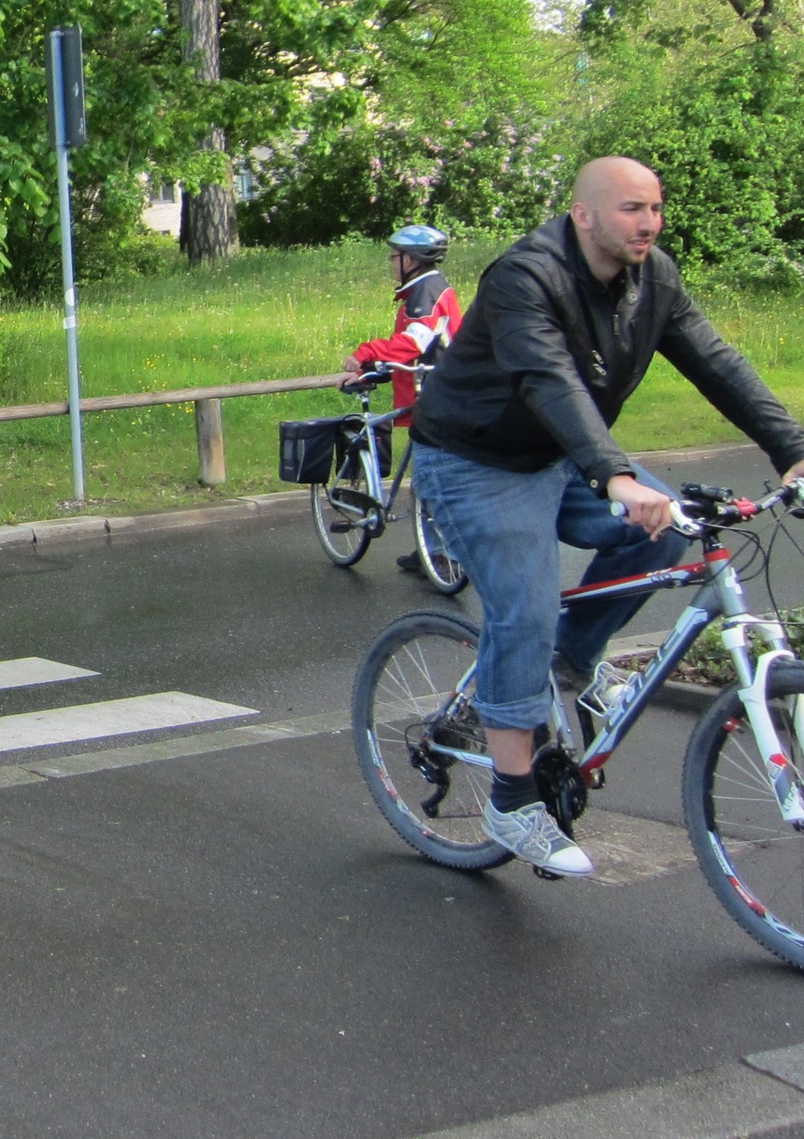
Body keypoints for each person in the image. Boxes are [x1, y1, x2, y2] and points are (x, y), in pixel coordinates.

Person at [411, 157, 804, 878]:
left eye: (654, 208)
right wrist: (616, 475)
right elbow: (546, 380)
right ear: (583, 214)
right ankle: (511, 798)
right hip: (475, 462)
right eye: (631, 209)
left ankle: (566, 664)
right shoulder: (525, 277)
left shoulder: (655, 277)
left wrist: (793, 449)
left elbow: (715, 360)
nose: (648, 223)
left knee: (667, 531)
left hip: (562, 455)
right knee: (523, 611)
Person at [342, 223, 464, 574]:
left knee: (431, 478)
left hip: (435, 398)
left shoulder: (426, 292)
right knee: (428, 478)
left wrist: (367, 352)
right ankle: (432, 550)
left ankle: (439, 552)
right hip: (434, 394)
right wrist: (380, 366)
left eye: (394, 256)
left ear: (411, 260)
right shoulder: (428, 288)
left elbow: (414, 342)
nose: (391, 262)